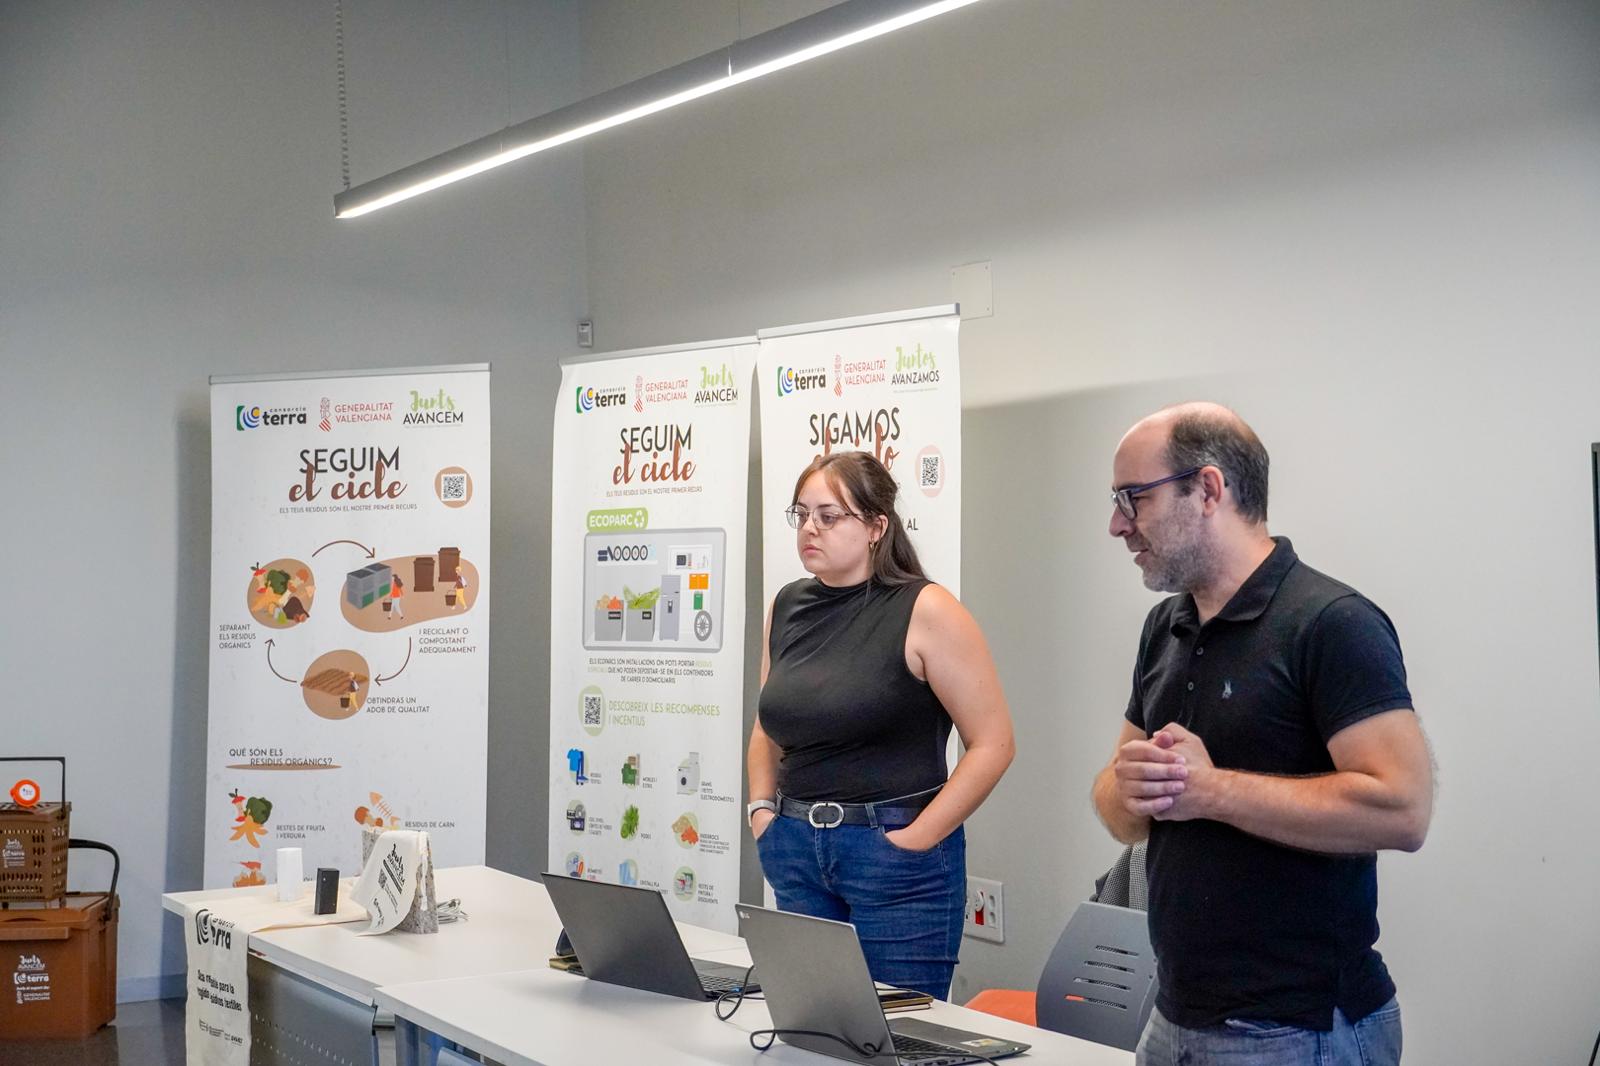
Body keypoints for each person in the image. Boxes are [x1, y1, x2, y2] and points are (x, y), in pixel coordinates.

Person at [1091, 402, 1433, 1065]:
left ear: (1208, 489)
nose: (1117, 525)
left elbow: (1405, 811)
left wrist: (1210, 790)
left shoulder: (1332, 623)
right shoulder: (1164, 627)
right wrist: (1129, 789)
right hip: (1173, 1017)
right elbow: (1120, 812)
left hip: (1299, 1031)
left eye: (1134, 498)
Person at [748, 451, 1015, 999]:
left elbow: (993, 744)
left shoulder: (927, 609)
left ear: (876, 527)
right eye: (801, 514)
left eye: (828, 516)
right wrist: (761, 812)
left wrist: (917, 839)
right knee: (812, 1023)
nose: (809, 528)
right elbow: (767, 726)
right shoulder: (787, 606)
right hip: (794, 846)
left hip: (893, 855)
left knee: (899, 1031)